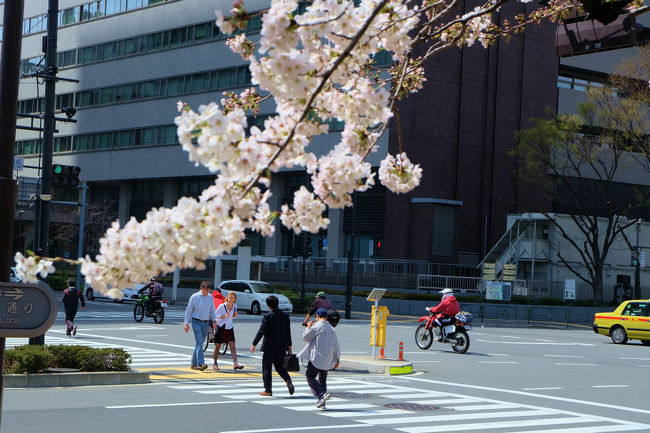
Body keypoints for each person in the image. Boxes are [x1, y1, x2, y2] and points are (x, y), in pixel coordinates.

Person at [251, 295, 294, 396]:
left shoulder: (268, 316)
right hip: (282, 346)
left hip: (269, 346)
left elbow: (262, 331)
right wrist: (289, 344)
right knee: (279, 367)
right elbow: (288, 331)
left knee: (267, 367)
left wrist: (254, 344)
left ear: (268, 305)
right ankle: (288, 380)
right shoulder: (285, 316)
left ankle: (268, 390)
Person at [297, 307, 340, 409]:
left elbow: (305, 337)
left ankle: (321, 396)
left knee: (310, 376)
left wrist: (308, 327)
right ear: (326, 317)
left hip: (317, 357)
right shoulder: (331, 329)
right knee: (322, 380)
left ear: (317, 316)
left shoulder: (317, 326)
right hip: (328, 358)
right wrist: (337, 359)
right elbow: (336, 345)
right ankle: (323, 402)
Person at [184, 281, 217, 371]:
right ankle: (201, 363)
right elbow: (189, 310)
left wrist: (214, 321)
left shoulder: (210, 297)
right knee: (199, 343)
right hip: (196, 322)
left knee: (199, 344)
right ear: (201, 288)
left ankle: (193, 364)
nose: (207, 292)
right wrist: (186, 323)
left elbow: (212, 311)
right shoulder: (194, 297)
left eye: (209, 291)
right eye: (206, 290)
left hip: (206, 323)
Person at [213, 291, 244, 370]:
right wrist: (223, 316)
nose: (230, 299)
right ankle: (215, 363)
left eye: (232, 298)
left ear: (234, 300)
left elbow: (231, 317)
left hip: (229, 327)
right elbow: (215, 315)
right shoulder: (222, 306)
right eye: (229, 297)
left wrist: (235, 316)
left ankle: (235, 363)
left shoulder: (235, 307)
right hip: (221, 327)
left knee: (233, 346)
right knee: (218, 346)